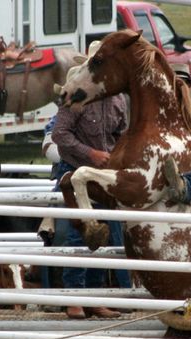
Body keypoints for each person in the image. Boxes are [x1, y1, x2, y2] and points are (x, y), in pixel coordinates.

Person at [51, 44, 129, 320]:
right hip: (75, 174)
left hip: (103, 176)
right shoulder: (75, 96)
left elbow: (121, 134)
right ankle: (75, 298)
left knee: (101, 235)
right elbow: (59, 134)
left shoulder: (118, 100)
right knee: (80, 233)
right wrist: (92, 153)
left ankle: (94, 298)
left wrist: (116, 155)